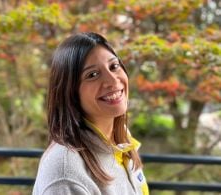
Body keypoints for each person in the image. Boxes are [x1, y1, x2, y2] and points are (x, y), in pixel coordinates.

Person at [32, 32, 149, 195]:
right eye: (92, 75)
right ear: (70, 92)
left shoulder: (121, 139)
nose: (113, 80)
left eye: (114, 66)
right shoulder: (65, 172)